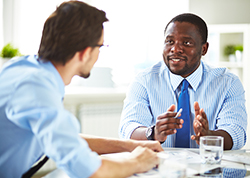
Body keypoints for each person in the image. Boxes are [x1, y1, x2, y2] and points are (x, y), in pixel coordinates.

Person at [0, 1, 163, 178]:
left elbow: (65, 139)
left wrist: (129, 146)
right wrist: (138, 162)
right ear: (85, 52)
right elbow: (91, 171)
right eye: (100, 46)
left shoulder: (23, 69)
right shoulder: (37, 90)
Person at [119, 13, 247, 150]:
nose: (175, 49)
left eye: (186, 43)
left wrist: (208, 136)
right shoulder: (144, 80)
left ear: (204, 49)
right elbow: (128, 129)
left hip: (208, 167)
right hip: (158, 167)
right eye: (169, 42)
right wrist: (153, 133)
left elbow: (237, 133)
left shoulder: (228, 83)